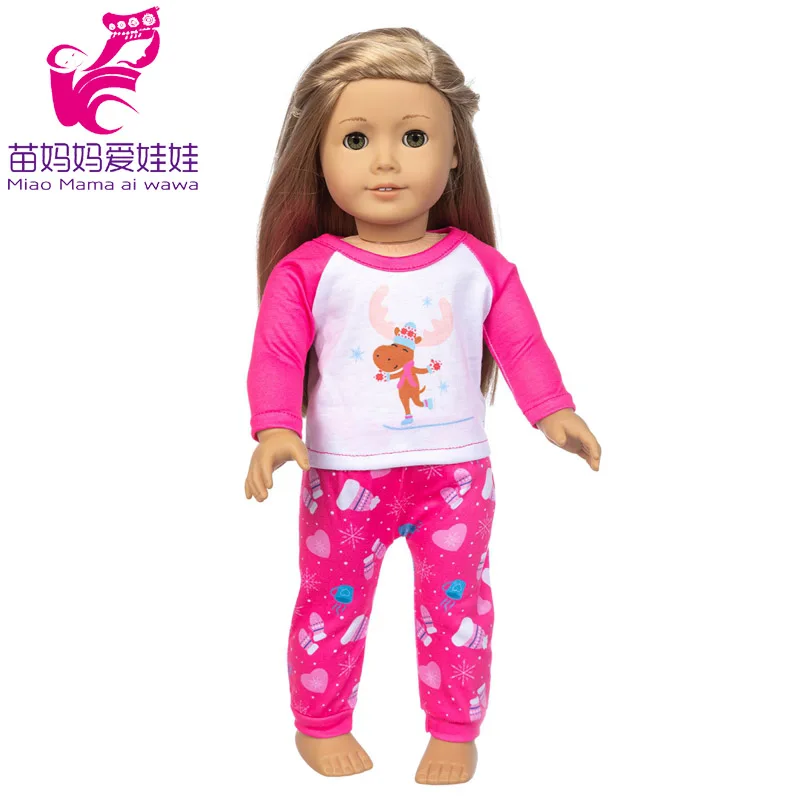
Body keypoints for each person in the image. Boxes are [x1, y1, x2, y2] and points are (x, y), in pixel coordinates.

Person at [244, 27, 601, 784]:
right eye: (356, 139)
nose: (385, 160)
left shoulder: (478, 266)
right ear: (318, 155)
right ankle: (320, 722)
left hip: (456, 476)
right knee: (330, 605)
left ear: (454, 152)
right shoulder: (309, 271)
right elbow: (276, 353)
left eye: (413, 137)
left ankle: (454, 729)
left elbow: (522, 345)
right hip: (345, 475)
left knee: (459, 607)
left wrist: (553, 411)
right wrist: (275, 428)